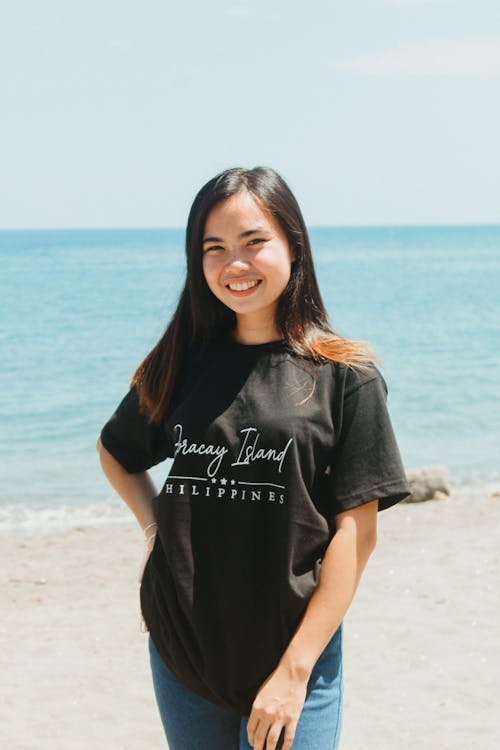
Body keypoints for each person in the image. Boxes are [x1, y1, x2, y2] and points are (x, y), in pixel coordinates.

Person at [97, 166, 411, 750]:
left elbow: (356, 536)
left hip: (293, 651)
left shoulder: (345, 376)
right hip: (183, 647)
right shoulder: (182, 362)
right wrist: (152, 529)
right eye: (214, 248)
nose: (234, 265)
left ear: (292, 243)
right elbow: (117, 451)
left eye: (254, 242)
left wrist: (294, 673)